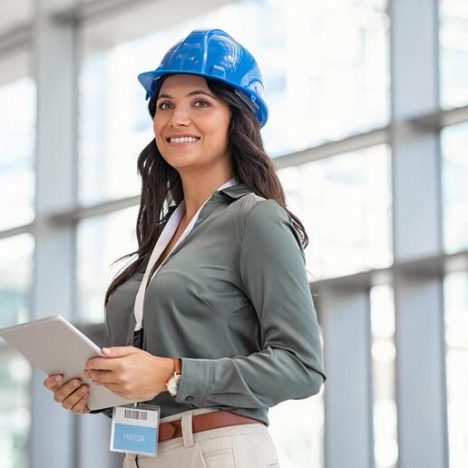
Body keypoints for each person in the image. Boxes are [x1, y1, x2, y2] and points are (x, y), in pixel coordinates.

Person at [43, 28, 326, 467]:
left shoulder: (255, 219)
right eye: (165, 105)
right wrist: (99, 391)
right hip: (141, 452)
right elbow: (151, 380)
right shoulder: (163, 236)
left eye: (200, 103)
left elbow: (302, 369)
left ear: (237, 118)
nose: (176, 119)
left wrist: (171, 373)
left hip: (216, 450)